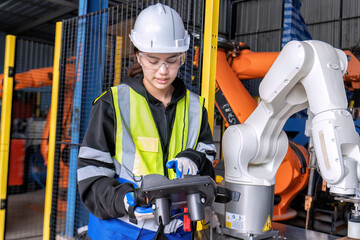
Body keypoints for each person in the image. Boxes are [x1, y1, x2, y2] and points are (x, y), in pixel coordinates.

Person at [77, 3, 216, 240]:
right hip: (119, 231)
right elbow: (91, 177)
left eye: (172, 60)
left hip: (175, 233)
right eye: (153, 60)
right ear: (138, 57)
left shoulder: (195, 107)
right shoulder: (112, 103)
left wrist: (194, 158)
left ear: (183, 56)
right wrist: (125, 200)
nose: (163, 70)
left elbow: (207, 160)